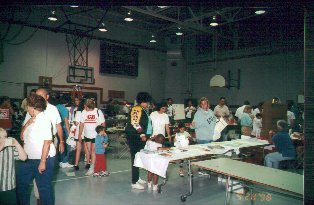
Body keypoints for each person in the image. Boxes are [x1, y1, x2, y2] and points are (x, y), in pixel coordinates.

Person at [16, 94, 56, 205]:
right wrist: (26, 124)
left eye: (27, 106)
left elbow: (47, 142)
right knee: (21, 184)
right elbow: (22, 137)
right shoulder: (29, 118)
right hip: (27, 159)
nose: (26, 108)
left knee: (44, 188)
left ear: (32, 106)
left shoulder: (44, 119)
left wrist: (42, 162)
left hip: (43, 159)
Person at [125, 92, 152, 190]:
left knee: (138, 158)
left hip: (138, 137)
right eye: (147, 102)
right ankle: (134, 181)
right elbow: (135, 122)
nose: (148, 104)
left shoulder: (143, 109)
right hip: (134, 137)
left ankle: (137, 178)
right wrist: (142, 134)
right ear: (142, 101)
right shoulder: (136, 108)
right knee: (135, 158)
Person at [78, 98, 105, 176]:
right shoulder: (83, 112)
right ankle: (94, 164)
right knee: (89, 151)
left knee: (93, 151)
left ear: (88, 106)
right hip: (87, 135)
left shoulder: (98, 111)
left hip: (96, 135)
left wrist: (103, 135)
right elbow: (82, 124)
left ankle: (92, 168)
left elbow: (103, 123)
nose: (84, 107)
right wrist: (80, 134)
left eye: (85, 106)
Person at [0, 128, 27, 205]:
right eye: (0, 137)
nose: (4, 139)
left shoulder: (10, 148)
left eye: (5, 137)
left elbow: (24, 157)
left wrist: (17, 144)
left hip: (8, 186)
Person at [191, 97, 216, 176]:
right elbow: (194, 125)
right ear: (200, 105)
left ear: (208, 104)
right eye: (202, 104)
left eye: (205, 103)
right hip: (202, 137)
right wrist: (193, 125)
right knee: (203, 154)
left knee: (209, 154)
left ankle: (207, 168)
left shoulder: (211, 112)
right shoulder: (198, 113)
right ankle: (201, 169)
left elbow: (214, 121)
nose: (203, 105)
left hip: (210, 136)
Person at [56, 95, 73, 168]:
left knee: (59, 144)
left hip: (56, 129)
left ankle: (60, 161)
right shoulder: (65, 109)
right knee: (67, 145)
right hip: (63, 128)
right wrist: (69, 133)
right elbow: (66, 122)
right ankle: (65, 161)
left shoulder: (56, 106)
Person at [72, 99, 87, 171]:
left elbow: (76, 123)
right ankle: (88, 163)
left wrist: (73, 122)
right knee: (86, 148)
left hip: (79, 133)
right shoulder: (87, 111)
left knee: (78, 149)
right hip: (87, 132)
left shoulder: (78, 112)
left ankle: (76, 164)